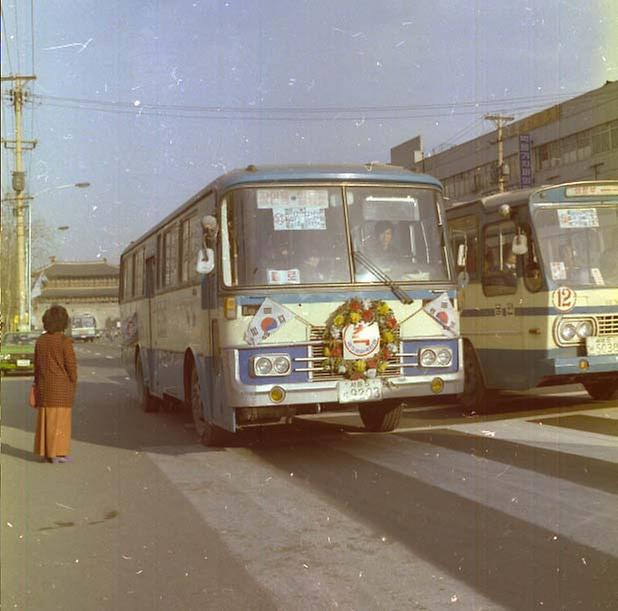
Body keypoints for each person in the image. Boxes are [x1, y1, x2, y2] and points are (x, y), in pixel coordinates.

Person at [33, 305, 78, 464]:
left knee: (46, 421)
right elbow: (71, 366)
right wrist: (73, 381)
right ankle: (57, 453)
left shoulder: (40, 341)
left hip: (44, 388)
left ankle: (46, 452)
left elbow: (37, 366)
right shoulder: (64, 342)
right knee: (61, 422)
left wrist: (37, 385)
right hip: (61, 389)